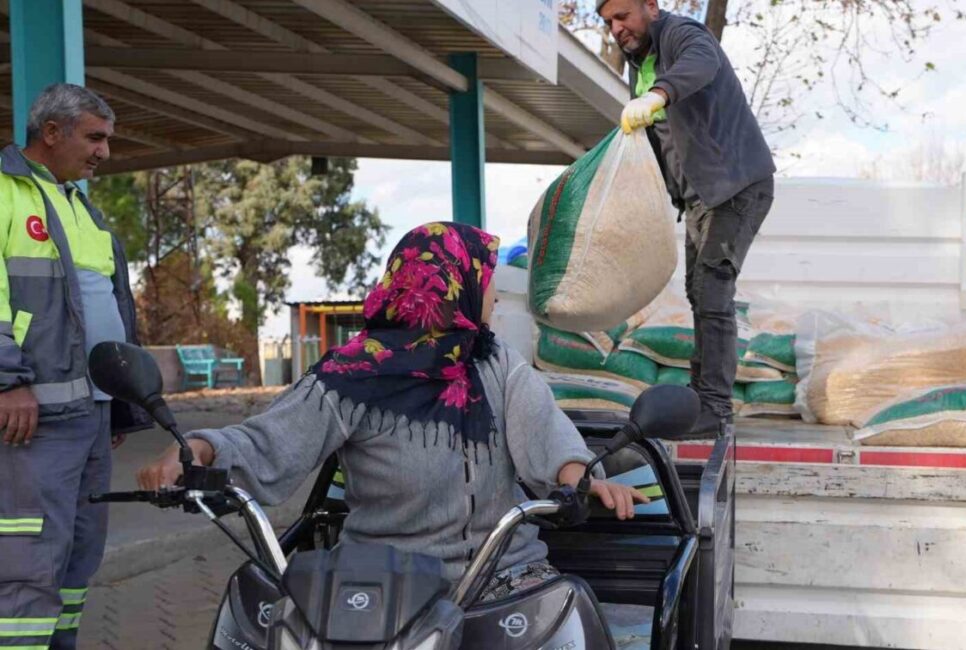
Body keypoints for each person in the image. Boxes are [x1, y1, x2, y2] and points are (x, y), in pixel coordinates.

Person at [137, 222, 647, 600]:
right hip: (381, 586)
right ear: (456, 286)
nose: (492, 295)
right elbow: (268, 440)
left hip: (505, 576)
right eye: (486, 280)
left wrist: (582, 477)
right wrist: (197, 449)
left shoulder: (497, 363)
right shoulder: (351, 375)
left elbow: (545, 431)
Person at [0, 84, 150, 649]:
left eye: (107, 139)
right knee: (27, 559)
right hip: (30, 417)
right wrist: (6, 383)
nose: (104, 153)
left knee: (77, 557)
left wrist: (120, 404)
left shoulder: (78, 205)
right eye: (95, 137)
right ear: (52, 131)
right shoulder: (5, 194)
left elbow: (105, 307)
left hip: (88, 414)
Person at [598, 0, 777, 437]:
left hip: (736, 186)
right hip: (699, 198)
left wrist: (659, 93)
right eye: (609, 23)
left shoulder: (682, 35)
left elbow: (702, 62)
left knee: (713, 289)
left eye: (623, 16)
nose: (617, 29)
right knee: (699, 293)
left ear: (651, 7)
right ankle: (703, 398)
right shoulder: (638, 66)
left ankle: (714, 408)